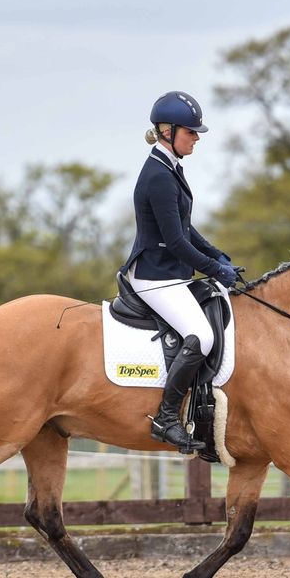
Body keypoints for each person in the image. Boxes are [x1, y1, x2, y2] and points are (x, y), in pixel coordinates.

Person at [119, 91, 241, 453]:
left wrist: (214, 253)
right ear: (167, 131)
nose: (197, 137)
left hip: (171, 273)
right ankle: (166, 417)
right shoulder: (158, 176)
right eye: (191, 131)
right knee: (201, 336)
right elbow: (174, 242)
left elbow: (186, 229)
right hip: (155, 277)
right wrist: (215, 269)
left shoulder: (169, 168)